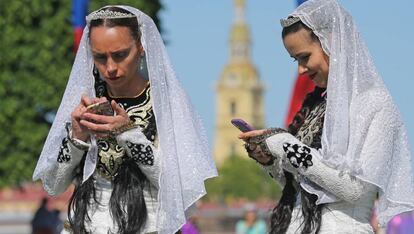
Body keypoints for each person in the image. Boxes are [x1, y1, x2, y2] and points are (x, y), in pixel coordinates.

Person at [32, 5, 217, 234]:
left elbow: (177, 187)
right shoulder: (86, 101)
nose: (110, 68)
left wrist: (128, 133)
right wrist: (76, 137)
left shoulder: (166, 104)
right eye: (100, 57)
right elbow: (53, 184)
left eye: (120, 55)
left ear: (141, 47)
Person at [238, 0, 414, 233]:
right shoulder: (315, 105)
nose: (300, 69)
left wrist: (284, 143)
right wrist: (269, 160)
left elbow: (355, 189)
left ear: (331, 44)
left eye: (304, 57)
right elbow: (303, 186)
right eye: (296, 60)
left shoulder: (375, 103)